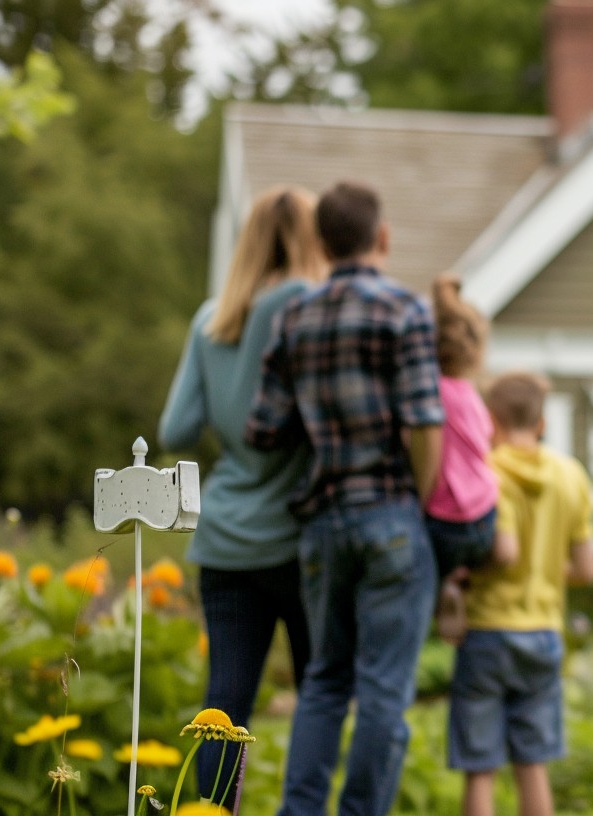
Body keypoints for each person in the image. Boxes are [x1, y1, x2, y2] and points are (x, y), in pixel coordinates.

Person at [245, 180, 445, 816]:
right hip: (390, 511)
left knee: (325, 683)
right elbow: (424, 421)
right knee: (384, 688)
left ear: (320, 243)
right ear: (381, 237)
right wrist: (420, 496)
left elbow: (263, 430)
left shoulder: (293, 318)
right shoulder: (404, 309)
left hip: (323, 522)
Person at [157, 186, 326, 804]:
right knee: (319, 696)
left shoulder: (211, 318)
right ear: (312, 238)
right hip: (300, 537)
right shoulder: (311, 308)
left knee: (224, 705)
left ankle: (207, 813)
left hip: (226, 538)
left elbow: (174, 430)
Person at [448, 370, 593, 816]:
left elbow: (504, 553)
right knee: (533, 763)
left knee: (481, 766)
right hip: (543, 632)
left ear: (489, 420)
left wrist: (463, 575)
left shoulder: (488, 471)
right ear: (542, 422)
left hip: (487, 631)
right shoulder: (571, 475)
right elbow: (586, 569)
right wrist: (546, 568)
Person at [426, 274, 500, 644]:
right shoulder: (472, 396)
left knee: (431, 562)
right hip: (485, 516)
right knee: (465, 560)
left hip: (443, 520)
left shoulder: (428, 393)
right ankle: (459, 580)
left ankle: (444, 588)